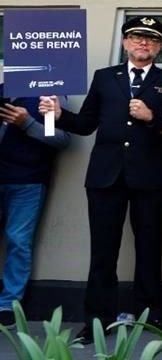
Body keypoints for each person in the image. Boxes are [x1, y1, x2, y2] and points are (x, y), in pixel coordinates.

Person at [39, 16, 162, 343]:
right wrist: (58, 116)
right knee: (103, 252)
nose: (143, 43)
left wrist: (152, 117)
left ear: (158, 47)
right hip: (105, 177)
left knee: (149, 248)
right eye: (137, 37)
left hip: (151, 177)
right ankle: (97, 320)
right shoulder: (105, 78)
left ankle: (152, 314)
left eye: (151, 39)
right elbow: (86, 124)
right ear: (126, 42)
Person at [0, 86, 71, 326]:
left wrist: (26, 122)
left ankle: (8, 305)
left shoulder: (48, 95)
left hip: (27, 180)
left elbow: (60, 139)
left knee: (18, 240)